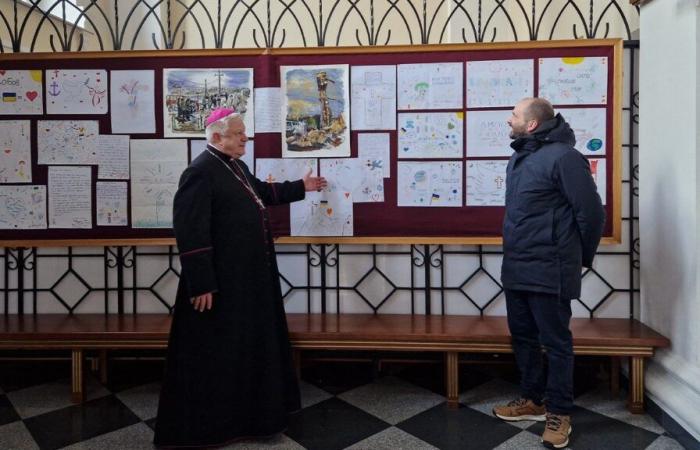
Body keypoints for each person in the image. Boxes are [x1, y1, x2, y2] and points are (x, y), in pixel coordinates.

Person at [154, 107, 327, 448]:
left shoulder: (235, 166)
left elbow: (261, 192)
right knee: (217, 356)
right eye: (238, 133)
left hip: (245, 282)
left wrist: (301, 187)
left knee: (244, 351)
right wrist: (201, 282)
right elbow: (190, 230)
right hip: (219, 285)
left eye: (244, 132)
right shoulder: (199, 172)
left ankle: (251, 419)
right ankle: (215, 427)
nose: (245, 138)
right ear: (216, 137)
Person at [492, 98, 605, 449]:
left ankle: (559, 412)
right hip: (517, 265)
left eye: (514, 115)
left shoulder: (566, 158)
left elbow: (592, 214)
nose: (508, 119)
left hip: (550, 268)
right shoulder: (519, 156)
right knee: (523, 337)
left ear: (531, 125)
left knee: (555, 343)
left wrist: (577, 258)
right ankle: (533, 400)